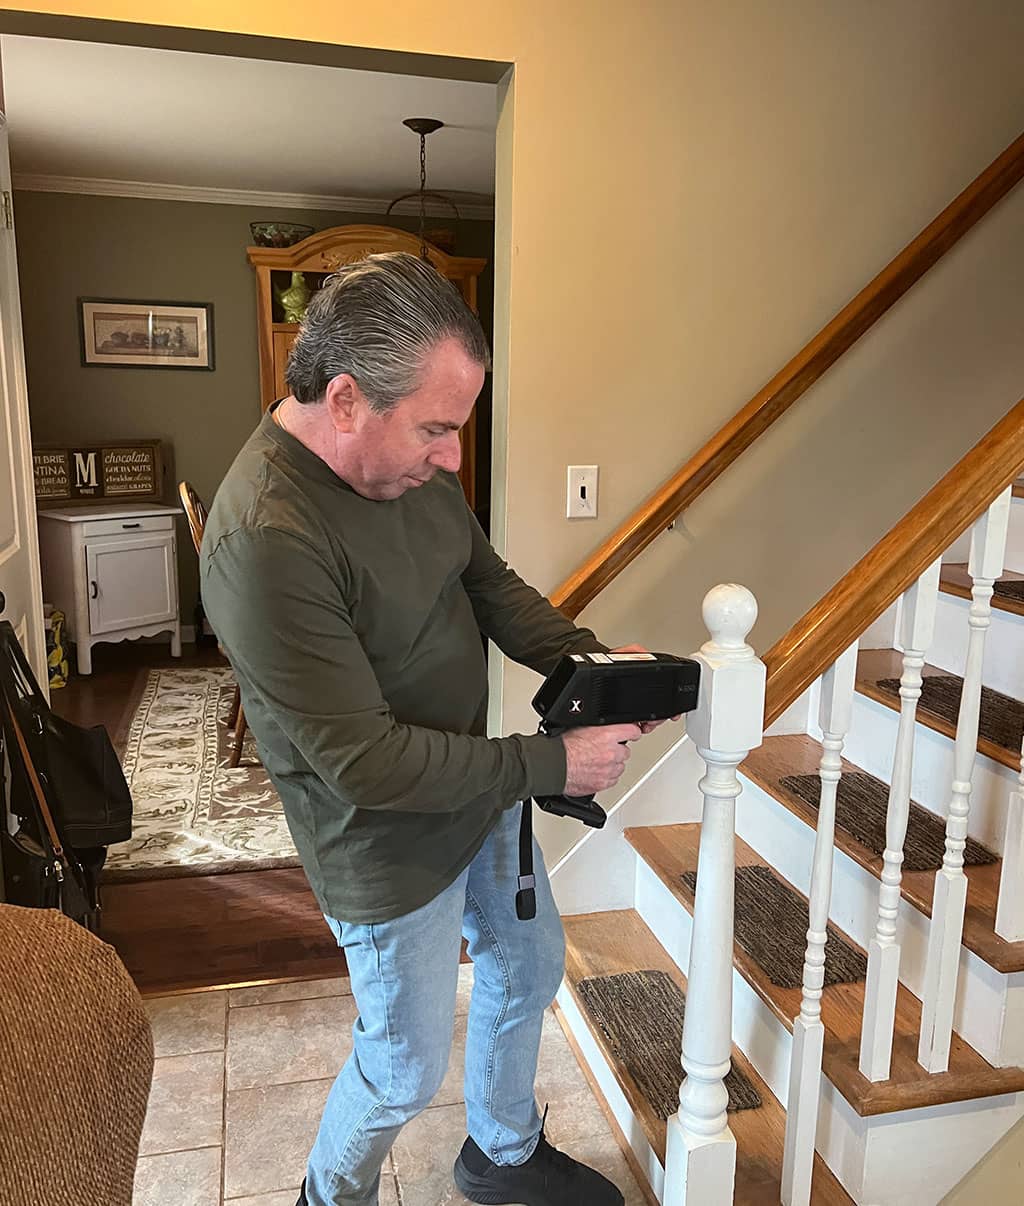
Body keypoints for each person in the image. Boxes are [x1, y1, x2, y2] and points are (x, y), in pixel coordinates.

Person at [202, 252, 660, 1206]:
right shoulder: (266, 538)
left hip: (478, 788)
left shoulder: (408, 472)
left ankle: (498, 1150)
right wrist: (550, 762)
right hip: (382, 839)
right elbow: (364, 766)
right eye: (437, 429)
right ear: (344, 399)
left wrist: (597, 672)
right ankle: (331, 1194)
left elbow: (486, 584)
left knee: (526, 973)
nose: (453, 456)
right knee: (403, 1069)